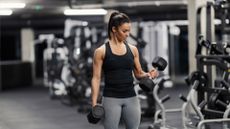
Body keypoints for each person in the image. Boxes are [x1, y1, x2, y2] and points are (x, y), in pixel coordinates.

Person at [91, 11, 158, 129]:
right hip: (111, 98)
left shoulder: (133, 50)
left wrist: (149, 74)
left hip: (131, 97)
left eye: (129, 30)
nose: (128, 34)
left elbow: (138, 74)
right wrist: (94, 103)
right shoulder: (101, 51)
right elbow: (96, 78)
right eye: (124, 31)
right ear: (114, 29)